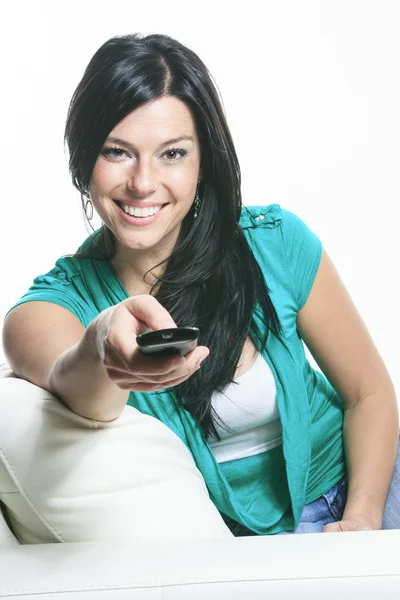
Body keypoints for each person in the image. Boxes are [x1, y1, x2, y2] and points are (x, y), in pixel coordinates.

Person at [2, 33, 399, 537]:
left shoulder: (275, 242)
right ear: (85, 160)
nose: (143, 183)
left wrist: (362, 519)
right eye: (117, 152)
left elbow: (369, 393)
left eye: (172, 154)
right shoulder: (54, 305)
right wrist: (104, 342)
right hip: (230, 548)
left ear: (203, 161)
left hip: (360, 490)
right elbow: (78, 389)